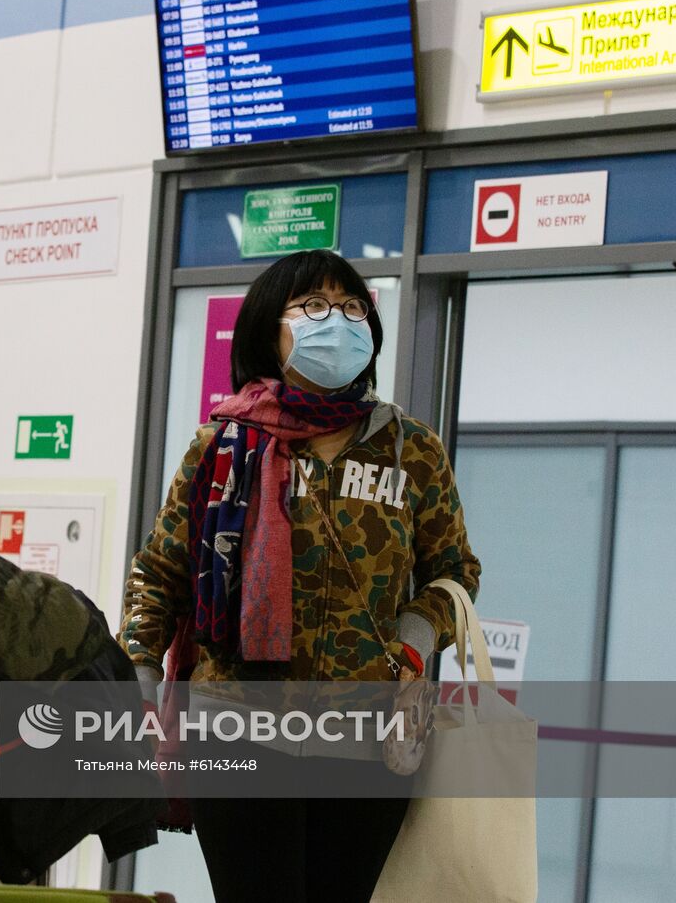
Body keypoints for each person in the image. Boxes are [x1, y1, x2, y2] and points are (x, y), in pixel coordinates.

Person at [119, 249, 481, 902]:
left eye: (351, 308)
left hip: (369, 742)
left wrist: (413, 643)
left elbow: (454, 574)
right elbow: (159, 573)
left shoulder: (411, 449)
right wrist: (138, 681)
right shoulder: (222, 446)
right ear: (268, 327)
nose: (336, 322)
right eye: (313, 306)